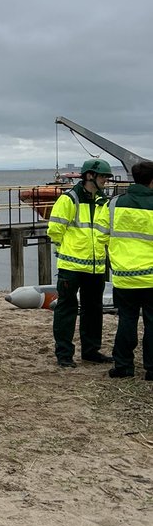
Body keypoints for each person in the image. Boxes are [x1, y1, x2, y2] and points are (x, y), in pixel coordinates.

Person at [47, 159, 112, 368]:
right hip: (71, 266)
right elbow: (55, 230)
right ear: (90, 176)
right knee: (67, 309)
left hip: (96, 266)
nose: (106, 181)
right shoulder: (69, 199)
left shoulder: (104, 202)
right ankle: (64, 354)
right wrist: (69, 249)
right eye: (103, 176)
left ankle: (91, 351)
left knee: (93, 309)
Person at [106, 160, 153, 381]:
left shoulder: (114, 204)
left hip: (124, 276)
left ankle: (124, 365)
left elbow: (102, 234)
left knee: (127, 319)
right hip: (151, 276)